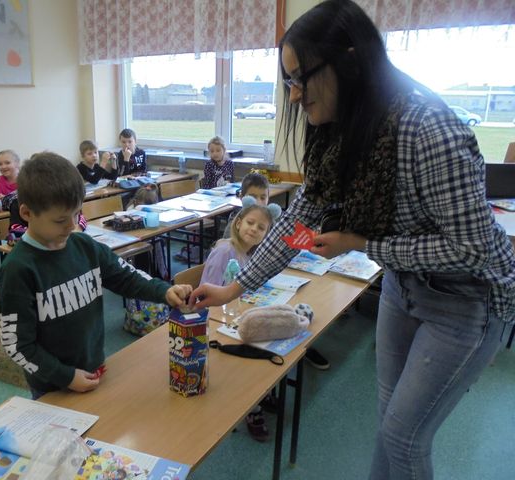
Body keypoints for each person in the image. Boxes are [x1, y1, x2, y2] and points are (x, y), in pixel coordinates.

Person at [190, 1, 515, 478]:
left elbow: (471, 249)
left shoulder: (427, 129)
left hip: (467, 298)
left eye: (301, 78)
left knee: (405, 436)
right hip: (405, 288)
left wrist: (362, 244)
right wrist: (235, 289)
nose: (295, 96)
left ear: (347, 59)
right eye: (288, 83)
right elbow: (297, 221)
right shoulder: (339, 130)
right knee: (389, 422)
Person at [0, 152, 192, 399]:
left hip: (95, 369)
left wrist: (163, 290)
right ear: (26, 214)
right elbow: (16, 345)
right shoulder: (18, 269)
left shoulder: (84, 246)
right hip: (52, 385)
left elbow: (125, 277)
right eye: (59, 220)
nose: (71, 225)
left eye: (77, 214)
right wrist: (65, 376)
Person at [222, 173, 330, 370]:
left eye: (263, 197)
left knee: (293, 304)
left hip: (259, 289)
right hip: (239, 300)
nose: (259, 202)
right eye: (253, 197)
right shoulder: (231, 240)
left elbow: (277, 251)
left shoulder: (270, 226)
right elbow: (220, 284)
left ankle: (300, 345)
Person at [200, 202, 278, 441]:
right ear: (238, 223)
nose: (254, 229)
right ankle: (252, 407)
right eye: (250, 223)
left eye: (261, 227)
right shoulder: (225, 251)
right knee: (257, 345)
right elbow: (206, 296)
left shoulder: (249, 254)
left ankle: (262, 392)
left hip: (236, 316)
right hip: (217, 323)